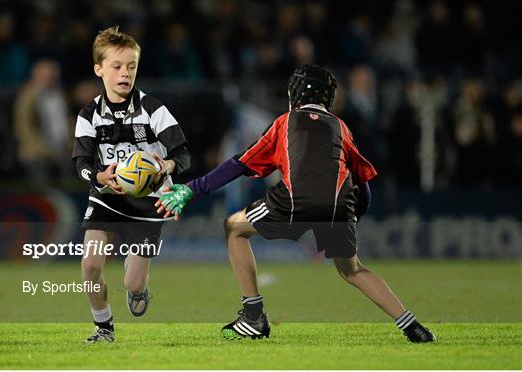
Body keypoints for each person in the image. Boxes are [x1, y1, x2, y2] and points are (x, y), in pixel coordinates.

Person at [155, 64, 435, 343]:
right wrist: (352, 216)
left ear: (295, 93)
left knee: (234, 228)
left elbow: (238, 163)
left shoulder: (285, 122)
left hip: (294, 200)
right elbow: (363, 184)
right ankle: (413, 327)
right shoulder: (341, 127)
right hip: (340, 207)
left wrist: (192, 189)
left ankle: (253, 317)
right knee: (353, 270)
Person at [71, 26, 191, 343]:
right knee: (90, 265)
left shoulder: (153, 109)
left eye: (131, 66)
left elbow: (183, 155)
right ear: (99, 69)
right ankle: (104, 327)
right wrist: (98, 177)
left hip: (150, 200)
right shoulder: (89, 114)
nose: (125, 73)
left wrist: (166, 164)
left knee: (133, 285)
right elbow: (81, 164)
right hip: (107, 196)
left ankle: (139, 286)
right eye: (117, 66)